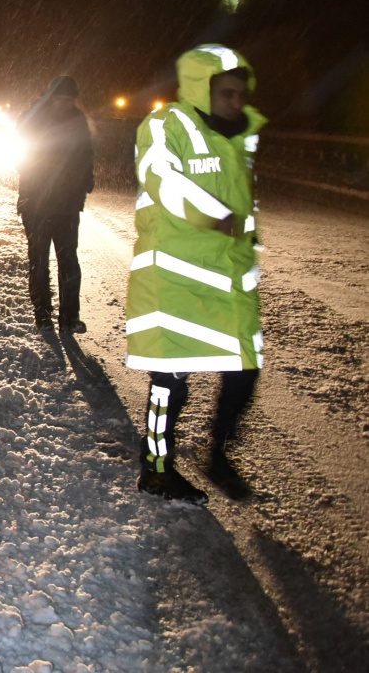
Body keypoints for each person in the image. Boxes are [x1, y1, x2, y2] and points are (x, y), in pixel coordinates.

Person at [127, 44, 266, 504]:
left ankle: (218, 453)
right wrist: (216, 216)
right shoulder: (167, 125)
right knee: (170, 381)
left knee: (244, 369)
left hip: (228, 282)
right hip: (177, 278)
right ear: (201, 90)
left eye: (240, 94)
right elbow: (161, 179)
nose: (235, 102)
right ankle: (157, 469)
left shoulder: (239, 138)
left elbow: (246, 207)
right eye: (226, 93)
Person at [16, 74, 95, 337]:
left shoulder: (78, 121)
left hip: (67, 207)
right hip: (36, 205)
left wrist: (83, 185)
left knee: (68, 261)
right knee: (39, 262)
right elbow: (22, 159)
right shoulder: (32, 119)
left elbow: (86, 158)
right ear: (51, 97)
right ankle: (43, 316)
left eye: (69, 101)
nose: (64, 105)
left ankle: (70, 318)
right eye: (60, 100)